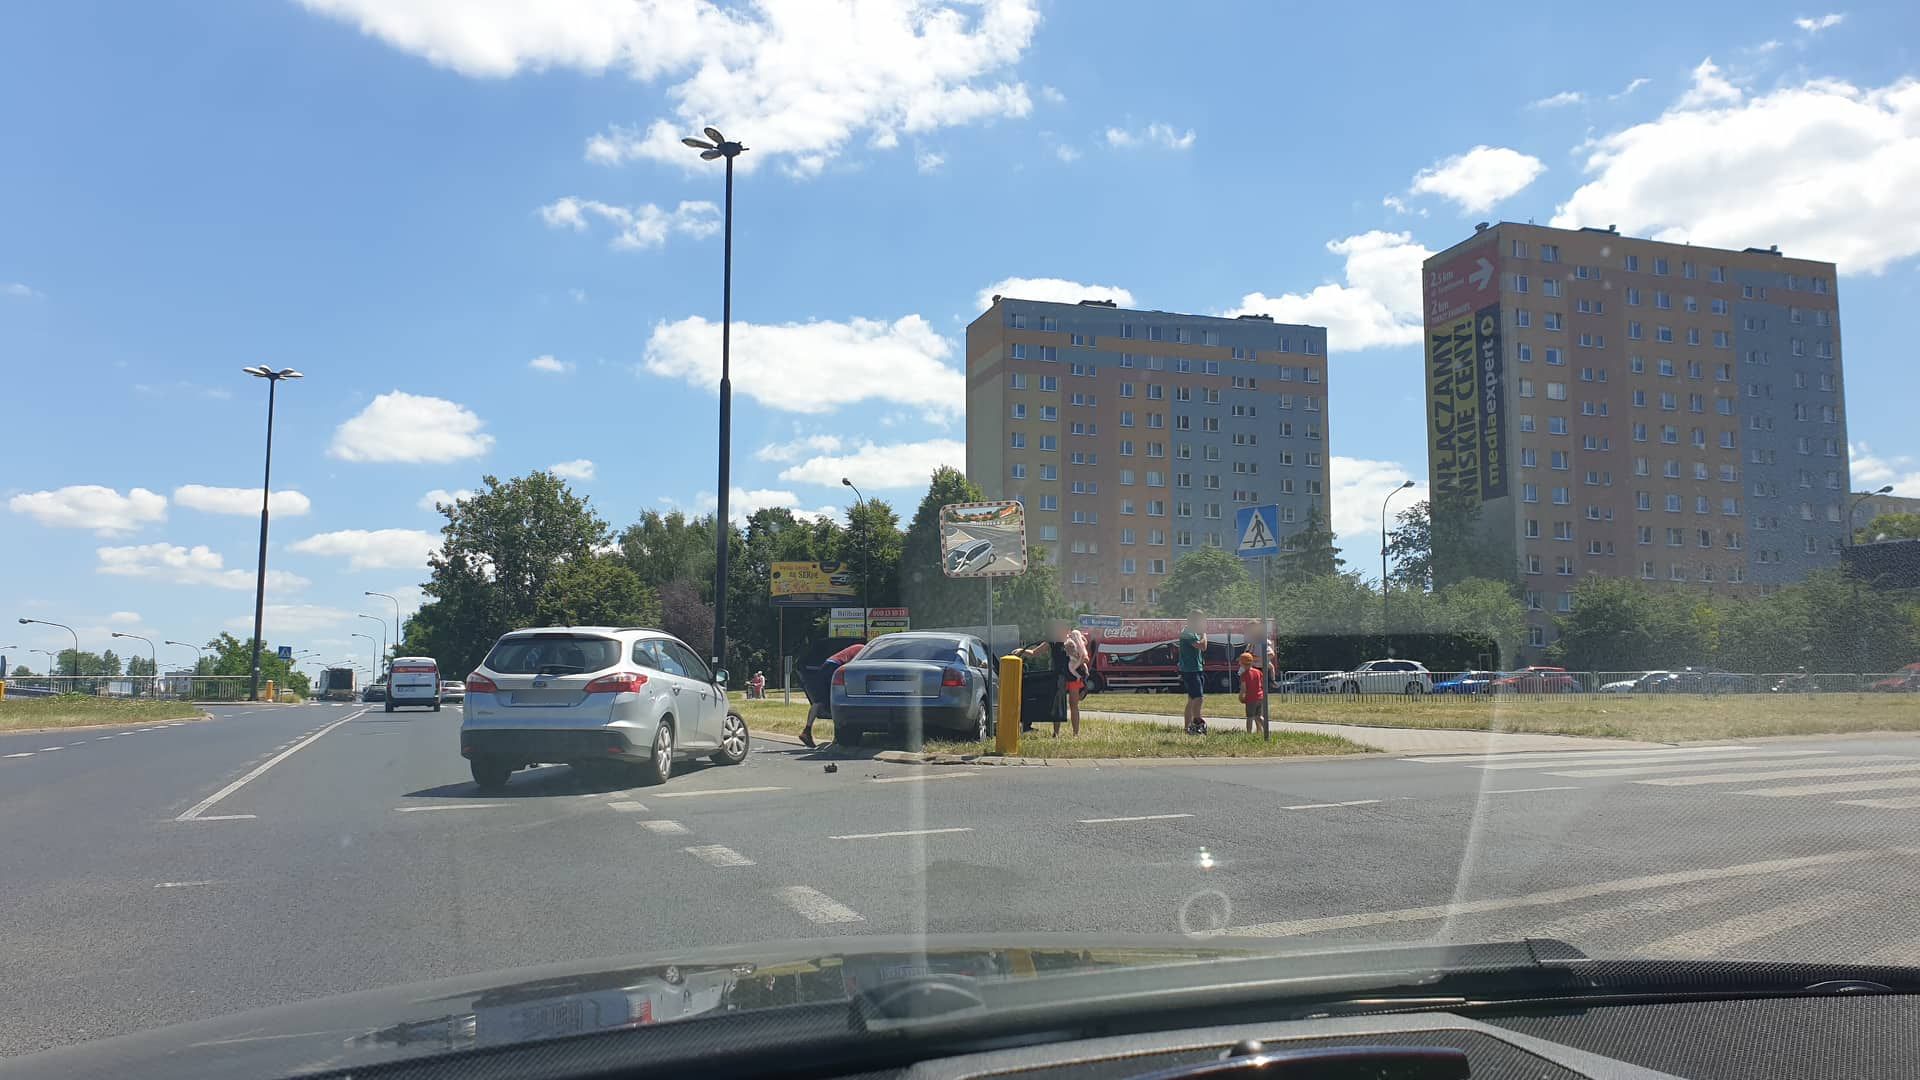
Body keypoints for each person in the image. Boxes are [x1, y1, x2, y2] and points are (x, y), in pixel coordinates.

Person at [801, 642, 864, 748]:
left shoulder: (855, 647)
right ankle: (838, 736)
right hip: (834, 667)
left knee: (819, 701)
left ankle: (807, 730)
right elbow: (854, 669)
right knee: (836, 701)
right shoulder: (863, 651)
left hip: (826, 666)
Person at [1016, 628, 1071, 737]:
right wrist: (1021, 651)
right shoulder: (1051, 642)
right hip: (1054, 674)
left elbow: (1080, 653)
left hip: (1064, 675)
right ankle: (1026, 726)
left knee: (1058, 703)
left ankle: (1057, 733)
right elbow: (1034, 652)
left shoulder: (1070, 641)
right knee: (1051, 700)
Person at [1177, 612, 1208, 735]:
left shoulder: (1193, 633)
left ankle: (1187, 728)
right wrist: (1204, 634)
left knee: (1191, 700)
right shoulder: (1188, 633)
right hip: (1191, 670)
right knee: (1198, 698)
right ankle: (1197, 724)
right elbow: (1202, 646)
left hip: (1196, 668)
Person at [1062, 621, 1090, 736]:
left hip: (1072, 675)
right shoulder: (1059, 639)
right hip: (1064, 673)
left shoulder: (1074, 637)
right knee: (1060, 703)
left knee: (1073, 704)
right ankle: (1057, 732)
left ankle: (1075, 733)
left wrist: (1076, 666)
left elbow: (1085, 657)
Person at [1237, 652, 1267, 735]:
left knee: (1250, 717)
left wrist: (1241, 697)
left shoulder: (1244, 675)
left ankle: (1249, 733)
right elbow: (1262, 683)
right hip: (1260, 697)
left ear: (1242, 663)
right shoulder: (1258, 672)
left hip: (1251, 699)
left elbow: (1243, 688)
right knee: (1259, 716)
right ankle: (1264, 730)